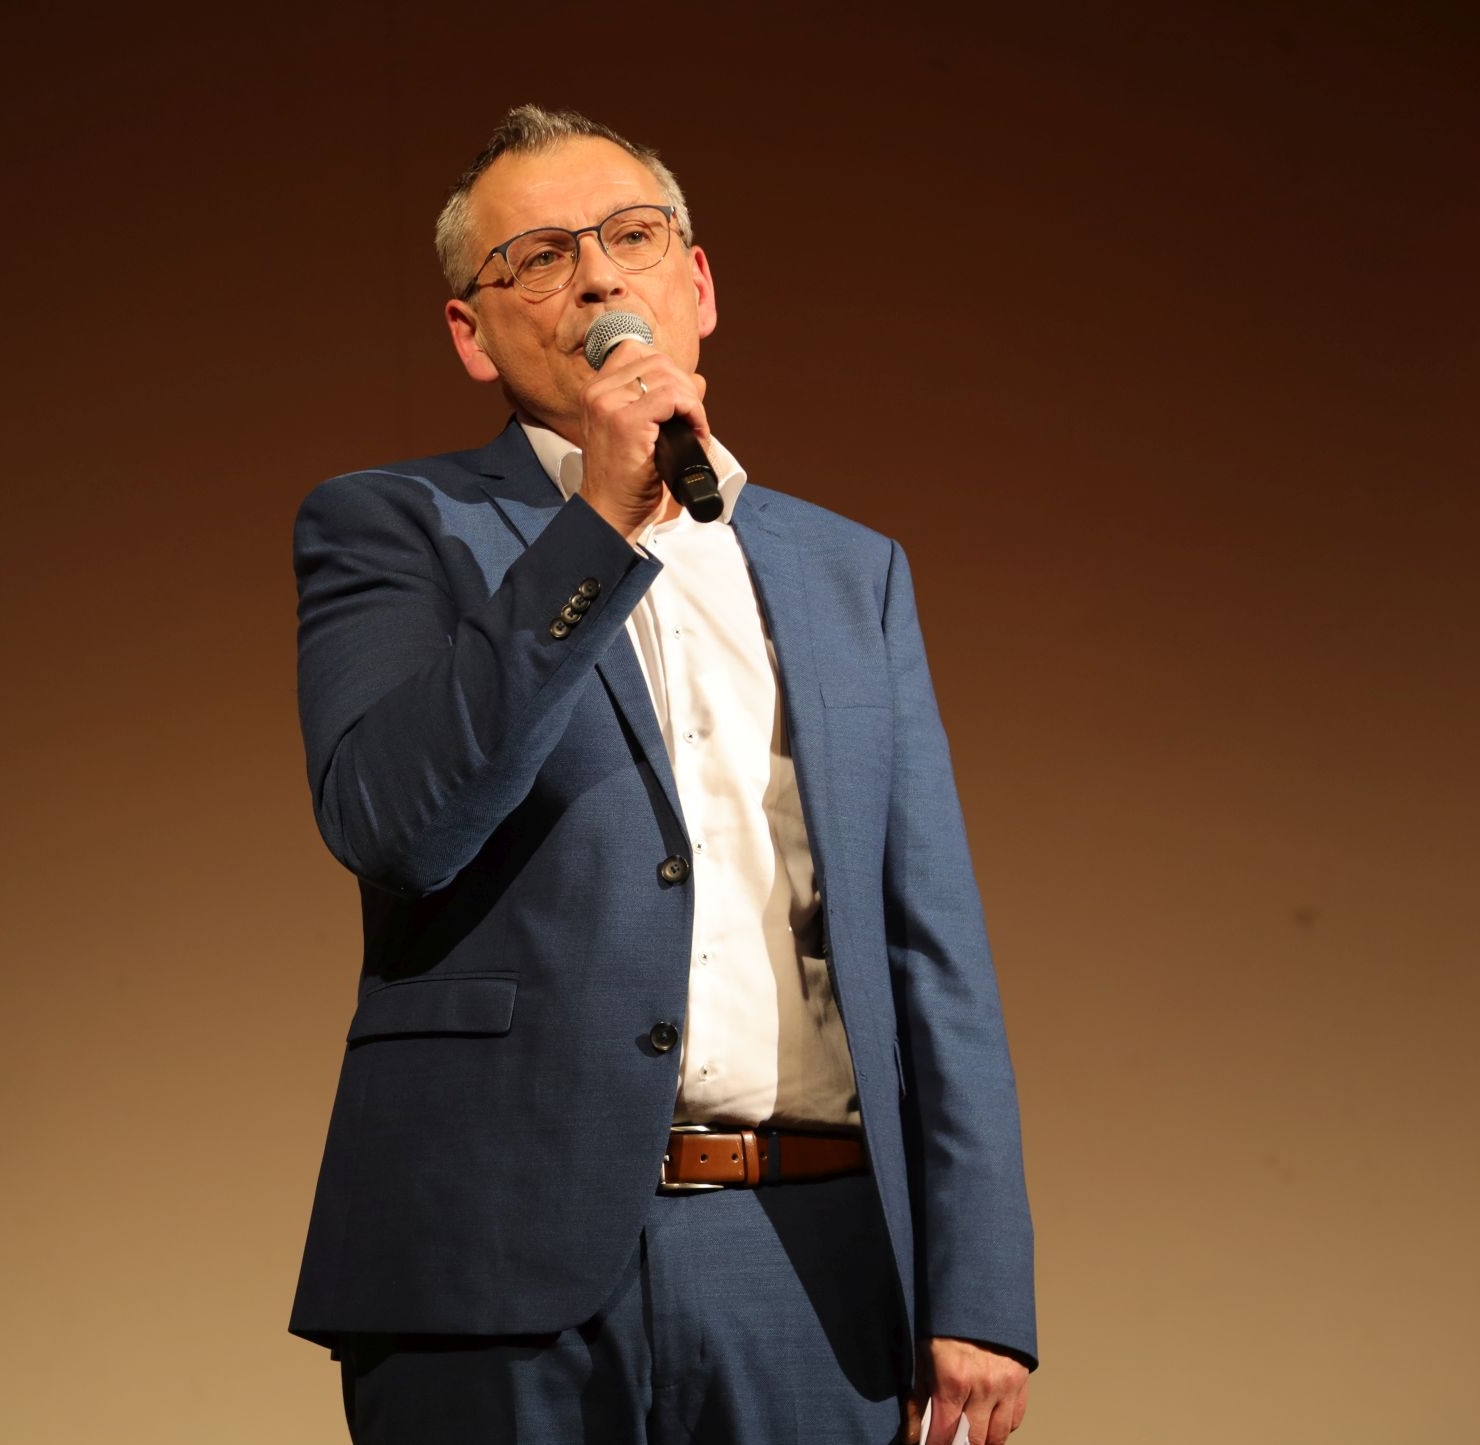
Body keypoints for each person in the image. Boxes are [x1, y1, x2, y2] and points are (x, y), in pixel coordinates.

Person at [289, 105, 1037, 1445]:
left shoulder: (849, 570)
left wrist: (977, 1283)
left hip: (806, 1258)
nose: (596, 277)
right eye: (538, 256)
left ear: (698, 284)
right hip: (494, 1267)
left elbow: (930, 940)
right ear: (471, 334)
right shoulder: (394, 525)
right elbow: (396, 823)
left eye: (631, 236)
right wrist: (597, 528)